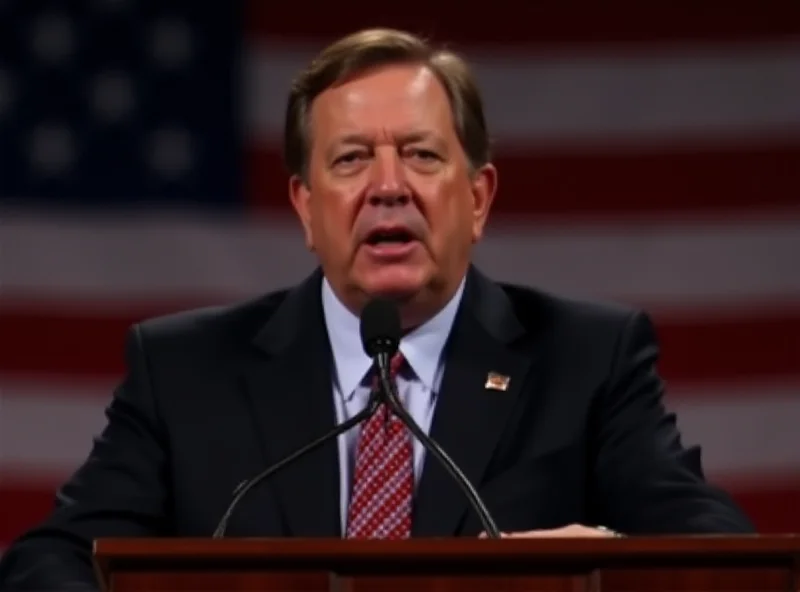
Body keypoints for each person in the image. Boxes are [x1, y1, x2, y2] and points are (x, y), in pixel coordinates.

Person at [0, 27, 754, 590]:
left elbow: (715, 556)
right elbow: (48, 561)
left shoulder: (588, 358)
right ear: (305, 206)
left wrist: (597, 562)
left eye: (422, 155)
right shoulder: (186, 371)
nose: (388, 187)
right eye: (351, 158)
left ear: (478, 197)